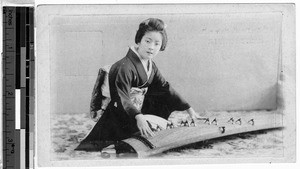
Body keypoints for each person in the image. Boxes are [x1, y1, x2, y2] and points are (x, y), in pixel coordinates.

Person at [75, 18, 202, 152]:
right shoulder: (124, 67)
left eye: (157, 44)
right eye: (147, 41)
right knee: (121, 145)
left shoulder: (150, 65)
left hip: (138, 112)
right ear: (139, 40)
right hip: (120, 114)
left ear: (161, 46)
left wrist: (189, 109)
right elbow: (122, 97)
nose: (151, 47)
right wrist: (138, 116)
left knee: (162, 95)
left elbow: (165, 87)